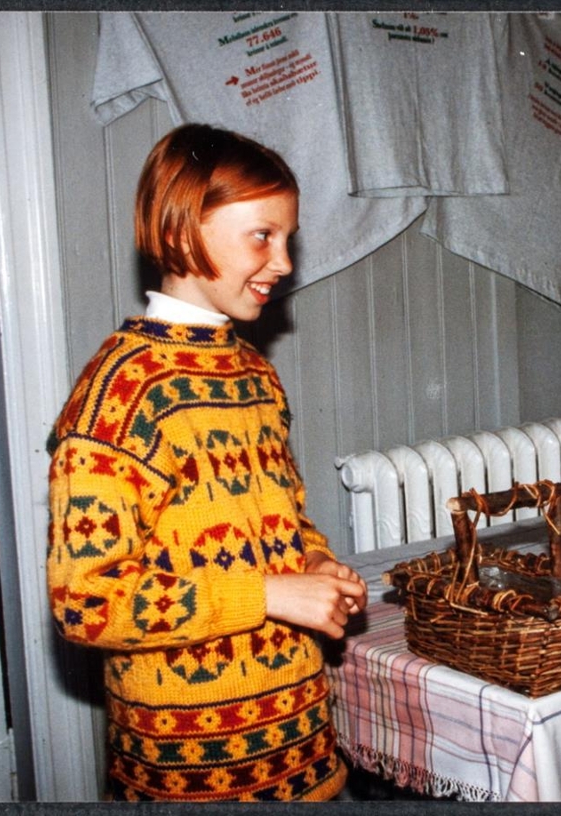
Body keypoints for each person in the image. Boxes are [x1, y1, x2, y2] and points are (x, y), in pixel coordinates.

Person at [46, 124, 368, 802]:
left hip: (304, 756)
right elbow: (86, 601)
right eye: (262, 236)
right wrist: (268, 595)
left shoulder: (255, 375)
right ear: (182, 230)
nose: (283, 262)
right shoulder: (122, 394)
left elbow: (283, 521)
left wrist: (313, 562)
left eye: (288, 239)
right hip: (188, 777)